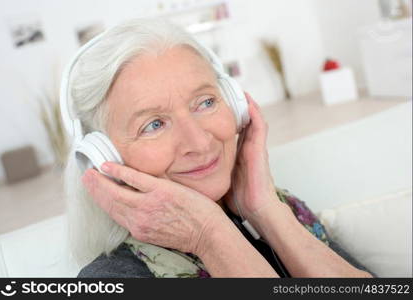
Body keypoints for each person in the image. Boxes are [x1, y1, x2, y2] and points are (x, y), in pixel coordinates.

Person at [62, 18, 374, 278]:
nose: (199, 142)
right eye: (154, 124)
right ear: (101, 158)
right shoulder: (112, 277)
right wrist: (209, 236)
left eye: (206, 102)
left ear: (235, 104)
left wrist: (266, 212)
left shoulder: (283, 209)